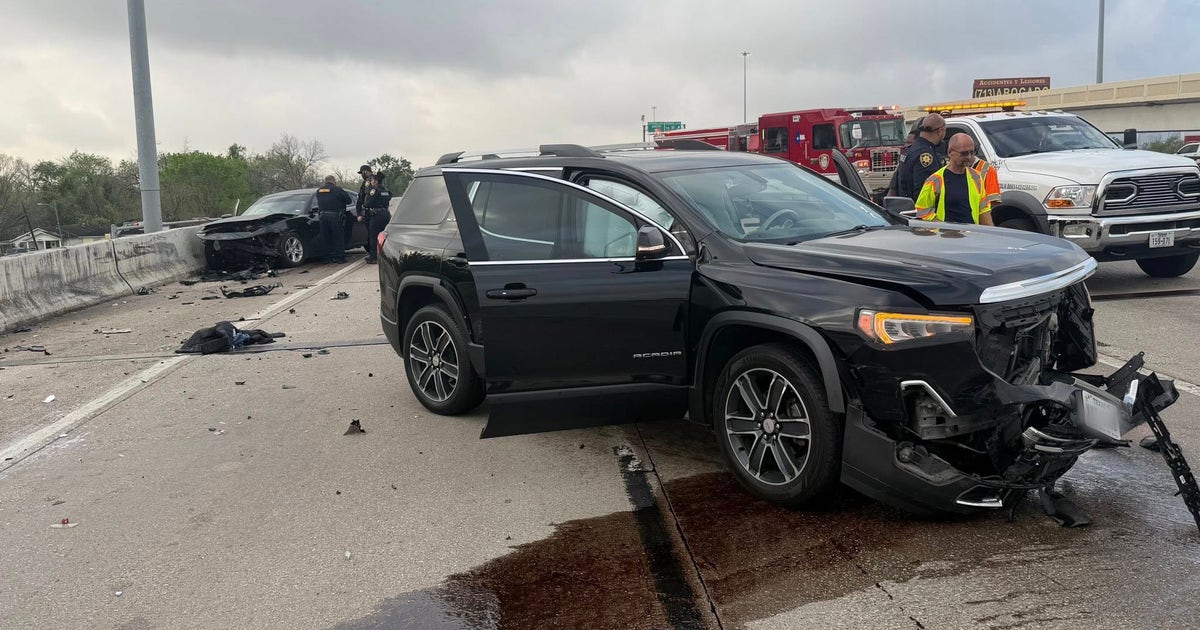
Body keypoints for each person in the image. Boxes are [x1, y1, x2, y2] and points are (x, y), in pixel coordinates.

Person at [913, 133, 994, 226]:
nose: (968, 157)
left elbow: (984, 210)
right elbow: (922, 211)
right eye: (964, 153)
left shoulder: (976, 177)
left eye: (972, 152)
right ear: (950, 152)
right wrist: (943, 228)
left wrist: (991, 234)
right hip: (946, 237)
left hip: (971, 235)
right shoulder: (935, 180)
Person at [896, 112, 948, 201]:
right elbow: (925, 191)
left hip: (907, 207)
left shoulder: (910, 150)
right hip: (922, 211)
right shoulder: (926, 156)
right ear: (940, 131)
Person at [315, 175, 353, 262]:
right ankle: (340, 257)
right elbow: (348, 200)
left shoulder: (319, 190)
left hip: (322, 216)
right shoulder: (337, 189)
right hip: (334, 216)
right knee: (338, 237)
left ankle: (327, 257)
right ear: (333, 180)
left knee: (326, 237)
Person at [360, 171, 392, 263]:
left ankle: (374, 256)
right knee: (384, 235)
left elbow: (367, 204)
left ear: (376, 182)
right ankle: (386, 254)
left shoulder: (374, 191)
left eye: (373, 180)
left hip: (376, 214)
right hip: (386, 213)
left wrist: (367, 199)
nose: (371, 182)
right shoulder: (386, 191)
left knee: (374, 236)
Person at [884, 123, 921, 198]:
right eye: (905, 142)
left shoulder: (921, 160)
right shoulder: (904, 160)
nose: (905, 146)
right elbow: (893, 186)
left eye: (909, 143)